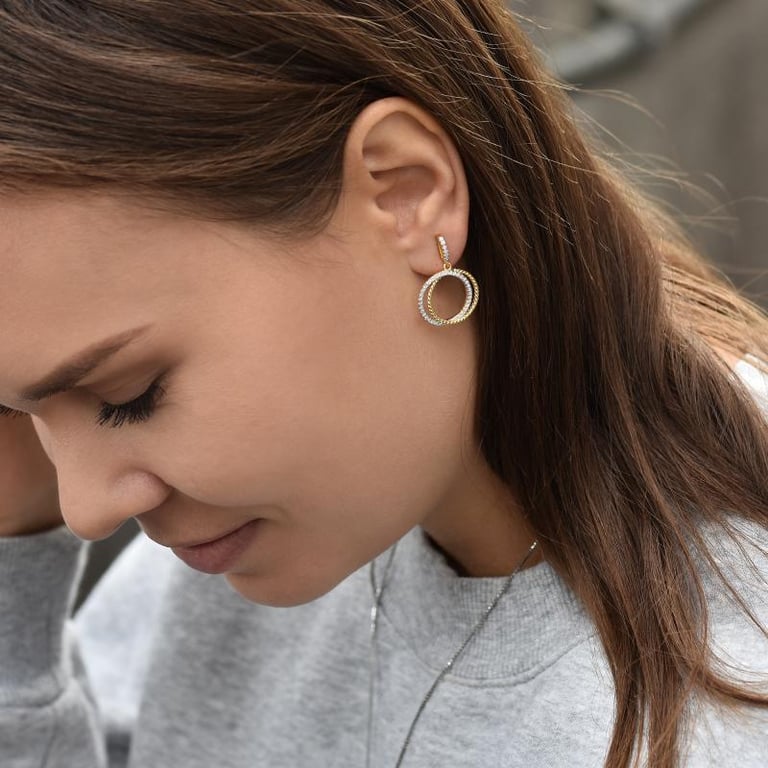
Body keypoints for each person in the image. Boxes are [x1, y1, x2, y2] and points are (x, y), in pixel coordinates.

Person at [0, 2, 766, 767]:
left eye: (131, 393)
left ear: (406, 192)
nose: (84, 510)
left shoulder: (713, 726)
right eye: (15, 409)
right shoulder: (268, 520)